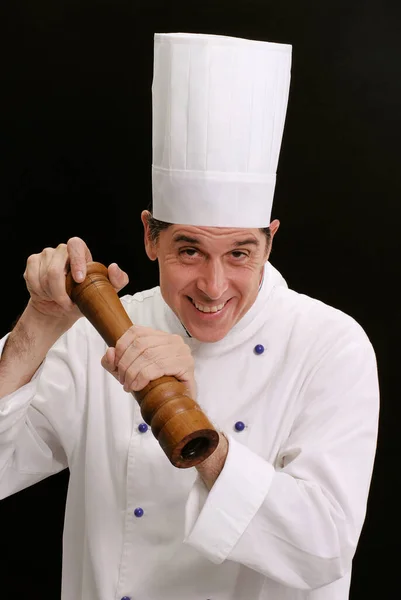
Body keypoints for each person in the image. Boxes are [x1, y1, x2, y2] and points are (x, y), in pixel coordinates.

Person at [0, 33, 379, 600]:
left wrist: (198, 431)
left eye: (240, 253)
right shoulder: (97, 335)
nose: (214, 286)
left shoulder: (330, 345)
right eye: (189, 250)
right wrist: (38, 326)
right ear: (150, 236)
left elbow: (322, 550)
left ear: (270, 242)